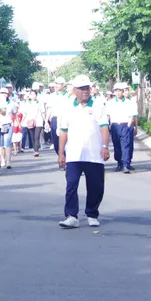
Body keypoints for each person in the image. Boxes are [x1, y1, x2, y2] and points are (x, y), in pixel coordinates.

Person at [57, 75, 110, 229]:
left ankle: (92, 214)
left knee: (96, 186)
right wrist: (61, 153)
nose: (85, 91)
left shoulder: (98, 106)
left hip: (94, 154)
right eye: (81, 88)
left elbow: (104, 127)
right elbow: (63, 131)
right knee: (71, 185)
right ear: (74, 90)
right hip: (74, 154)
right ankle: (72, 216)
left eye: (87, 88)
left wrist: (105, 147)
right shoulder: (68, 108)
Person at [108, 82, 139, 173]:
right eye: (116, 91)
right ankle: (119, 163)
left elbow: (133, 115)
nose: (118, 93)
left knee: (125, 146)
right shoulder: (110, 103)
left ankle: (125, 164)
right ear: (114, 92)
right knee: (117, 146)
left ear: (123, 91)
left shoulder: (129, 103)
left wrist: (129, 125)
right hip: (114, 126)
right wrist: (109, 125)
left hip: (125, 125)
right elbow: (108, 115)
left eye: (120, 91)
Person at [45, 77, 68, 155]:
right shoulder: (52, 96)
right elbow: (49, 109)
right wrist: (46, 121)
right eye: (56, 83)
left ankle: (66, 159)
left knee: (66, 140)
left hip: (66, 119)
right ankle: (61, 156)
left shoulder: (68, 95)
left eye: (59, 84)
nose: (57, 85)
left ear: (63, 85)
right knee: (56, 142)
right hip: (55, 119)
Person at [21, 89, 45, 157]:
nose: (33, 96)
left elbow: (43, 112)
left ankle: (36, 151)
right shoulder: (27, 103)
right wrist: (22, 121)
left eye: (34, 94)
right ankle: (34, 149)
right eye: (31, 94)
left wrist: (45, 121)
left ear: (36, 95)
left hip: (38, 121)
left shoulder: (39, 102)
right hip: (30, 122)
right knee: (32, 137)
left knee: (36, 136)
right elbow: (25, 113)